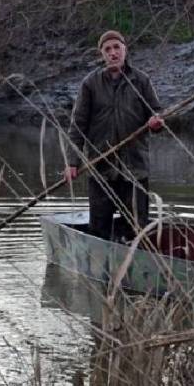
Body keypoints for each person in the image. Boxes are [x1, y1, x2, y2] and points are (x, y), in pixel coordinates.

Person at [64, 30, 165, 242]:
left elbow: (157, 113)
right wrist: (72, 162)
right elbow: (77, 126)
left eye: (116, 47)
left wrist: (156, 122)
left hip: (135, 169)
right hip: (101, 169)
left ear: (125, 50)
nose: (113, 53)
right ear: (101, 54)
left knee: (138, 229)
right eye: (107, 49)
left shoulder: (141, 81)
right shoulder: (90, 84)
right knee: (99, 229)